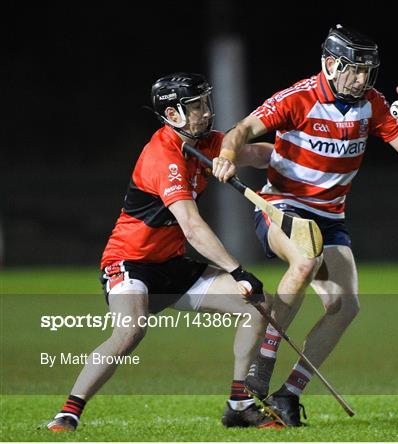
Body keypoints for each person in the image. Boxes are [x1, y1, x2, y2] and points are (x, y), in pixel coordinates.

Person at [212, 24, 398, 426]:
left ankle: (288, 394)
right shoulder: (300, 97)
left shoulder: (372, 103)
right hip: (282, 206)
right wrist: (227, 153)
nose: (362, 79)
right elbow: (241, 130)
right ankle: (264, 363)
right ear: (330, 64)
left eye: (367, 71)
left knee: (345, 306)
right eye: (353, 69)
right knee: (304, 261)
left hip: (331, 217)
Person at [46, 72, 281, 432]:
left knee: (257, 304)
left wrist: (290, 155)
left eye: (206, 103)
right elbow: (191, 225)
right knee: (130, 332)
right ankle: (67, 414)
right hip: (130, 262)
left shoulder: (206, 142)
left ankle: (239, 405)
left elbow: (256, 154)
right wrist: (237, 270)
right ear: (172, 116)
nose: (206, 112)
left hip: (171, 265)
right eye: (196, 107)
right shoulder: (162, 156)